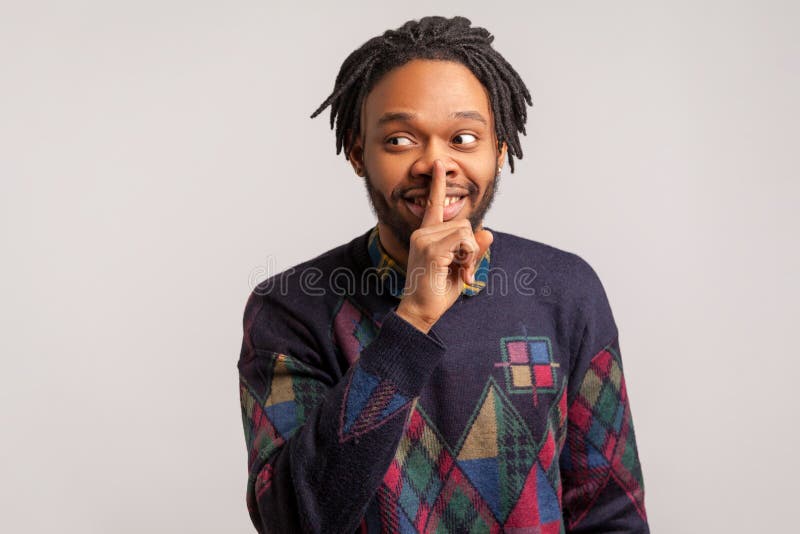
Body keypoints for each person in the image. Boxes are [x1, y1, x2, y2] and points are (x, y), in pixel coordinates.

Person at [238, 15, 649, 533]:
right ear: (358, 153)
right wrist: (412, 321)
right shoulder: (291, 308)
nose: (436, 165)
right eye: (400, 141)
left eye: (463, 137)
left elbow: (610, 511)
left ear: (499, 150)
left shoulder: (564, 291)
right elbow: (292, 520)